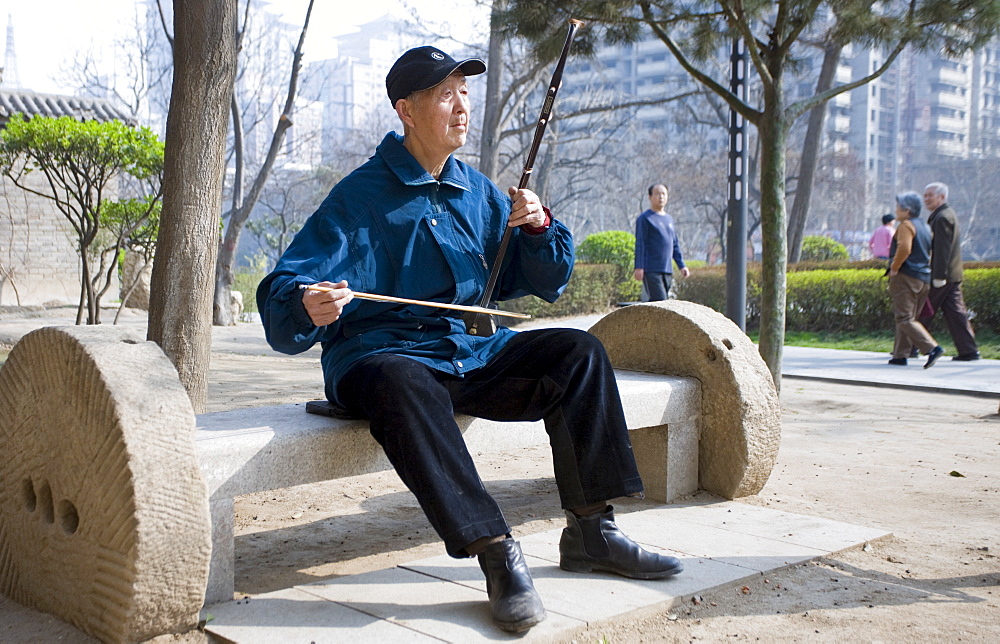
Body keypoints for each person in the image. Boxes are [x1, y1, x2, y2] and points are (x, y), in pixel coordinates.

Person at [256, 45, 682, 634]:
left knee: (577, 353)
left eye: (464, 92)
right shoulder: (359, 198)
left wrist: (538, 229)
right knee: (402, 379)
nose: (462, 107)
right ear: (406, 110)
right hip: (381, 362)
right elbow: (285, 284)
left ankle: (593, 531)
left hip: (466, 354)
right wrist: (306, 301)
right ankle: (496, 552)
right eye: (445, 95)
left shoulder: (475, 191)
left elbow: (541, 280)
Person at [920, 182, 980, 361]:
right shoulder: (944, 214)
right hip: (951, 275)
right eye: (925, 195)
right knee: (956, 315)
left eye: (930, 195)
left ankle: (910, 347)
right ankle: (969, 351)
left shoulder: (942, 217)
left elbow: (942, 250)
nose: (926, 199)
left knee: (922, 311)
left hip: (943, 276)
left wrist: (938, 276)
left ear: (942, 197)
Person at [886, 192, 944, 368]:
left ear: (907, 210)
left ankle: (932, 348)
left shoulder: (906, 225)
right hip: (923, 277)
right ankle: (900, 355)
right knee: (909, 318)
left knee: (904, 318)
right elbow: (930, 251)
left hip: (906, 276)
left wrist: (894, 268)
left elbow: (904, 247)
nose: (896, 210)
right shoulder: (925, 227)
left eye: (898, 207)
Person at [633, 183, 690, 301]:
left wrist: (682, 265)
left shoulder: (669, 219)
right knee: (661, 301)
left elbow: (674, 244)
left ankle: (645, 319)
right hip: (651, 269)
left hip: (667, 269)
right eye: (657, 194)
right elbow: (640, 244)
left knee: (657, 304)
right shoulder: (645, 218)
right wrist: (639, 267)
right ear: (650, 197)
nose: (661, 197)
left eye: (663, 194)